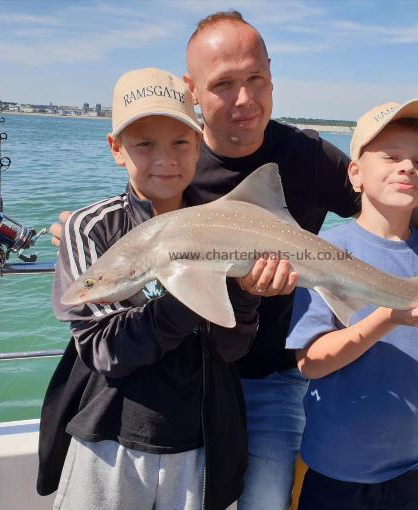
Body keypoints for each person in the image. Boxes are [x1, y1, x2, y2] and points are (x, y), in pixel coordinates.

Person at [50, 11, 418, 510]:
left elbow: (380, 188)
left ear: (272, 74)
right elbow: (144, 207)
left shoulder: (307, 154)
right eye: (223, 84)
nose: (244, 99)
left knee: (265, 502)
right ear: (193, 90)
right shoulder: (180, 164)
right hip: (197, 378)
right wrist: (88, 233)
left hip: (275, 376)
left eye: (256, 79)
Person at [38, 67, 261, 510]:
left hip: (203, 441)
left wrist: (248, 294)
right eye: (144, 144)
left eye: (180, 142)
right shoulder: (91, 228)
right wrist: (191, 292)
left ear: (199, 144)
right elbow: (103, 349)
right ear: (116, 149)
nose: (165, 159)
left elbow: (232, 349)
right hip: (110, 437)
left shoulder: (226, 226)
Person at [286, 99, 418, 510]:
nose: (408, 168)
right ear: (355, 174)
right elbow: (311, 362)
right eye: (391, 157)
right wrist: (388, 319)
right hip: (337, 468)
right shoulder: (323, 253)